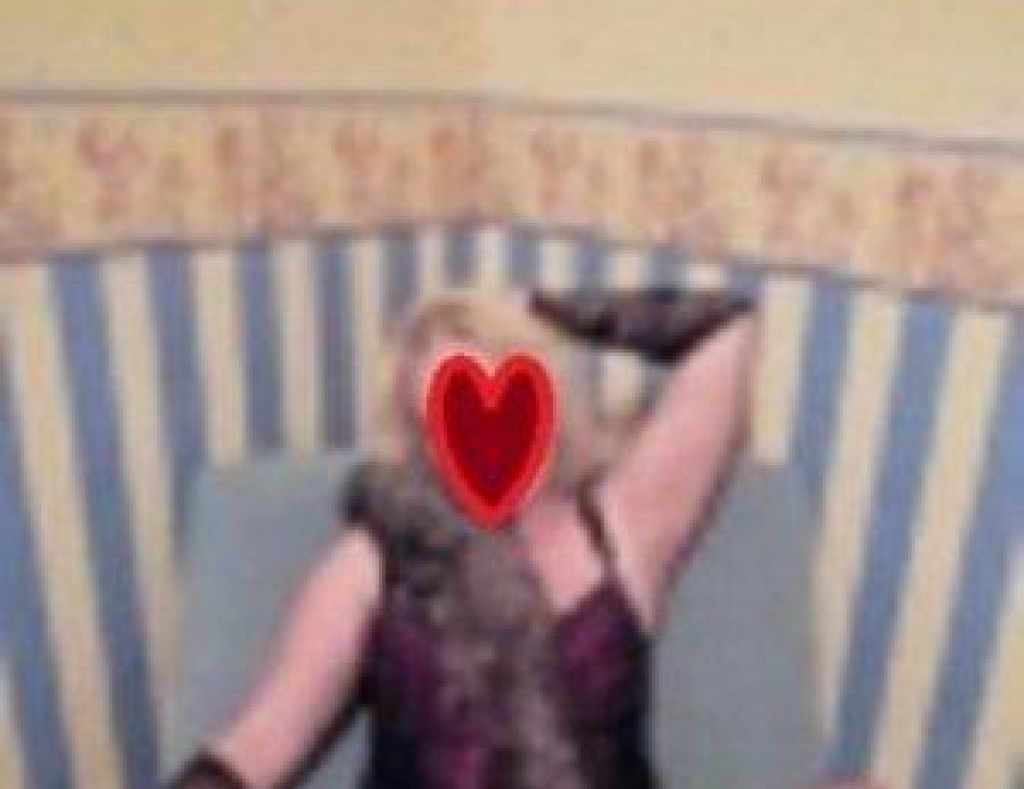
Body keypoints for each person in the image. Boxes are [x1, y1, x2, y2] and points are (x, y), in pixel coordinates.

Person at [165, 285, 884, 789]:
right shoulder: (374, 561)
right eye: (446, 414)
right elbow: (262, 742)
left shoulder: (624, 528)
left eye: (510, 389)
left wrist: (546, 308)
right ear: (418, 436)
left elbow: (725, 332)